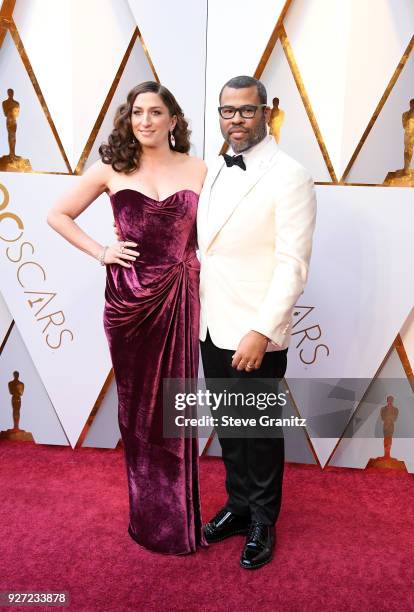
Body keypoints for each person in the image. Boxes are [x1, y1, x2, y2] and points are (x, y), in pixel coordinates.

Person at [47, 81, 207, 555]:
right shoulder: (112, 169)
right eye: (137, 112)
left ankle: (179, 516)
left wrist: (194, 260)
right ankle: (149, 519)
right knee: (138, 412)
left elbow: (213, 231)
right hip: (129, 303)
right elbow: (58, 214)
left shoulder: (200, 168)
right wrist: (102, 251)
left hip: (180, 296)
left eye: (156, 113)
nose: (145, 121)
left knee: (174, 408)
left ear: (173, 120)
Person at [197, 76, 316, 569]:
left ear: (267, 112)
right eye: (228, 111)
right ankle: (240, 506)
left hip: (255, 330)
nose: (236, 120)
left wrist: (262, 330)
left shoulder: (290, 175)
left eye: (246, 111)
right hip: (210, 322)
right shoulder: (213, 169)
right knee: (230, 426)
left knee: (259, 429)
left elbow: (293, 263)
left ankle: (264, 520)